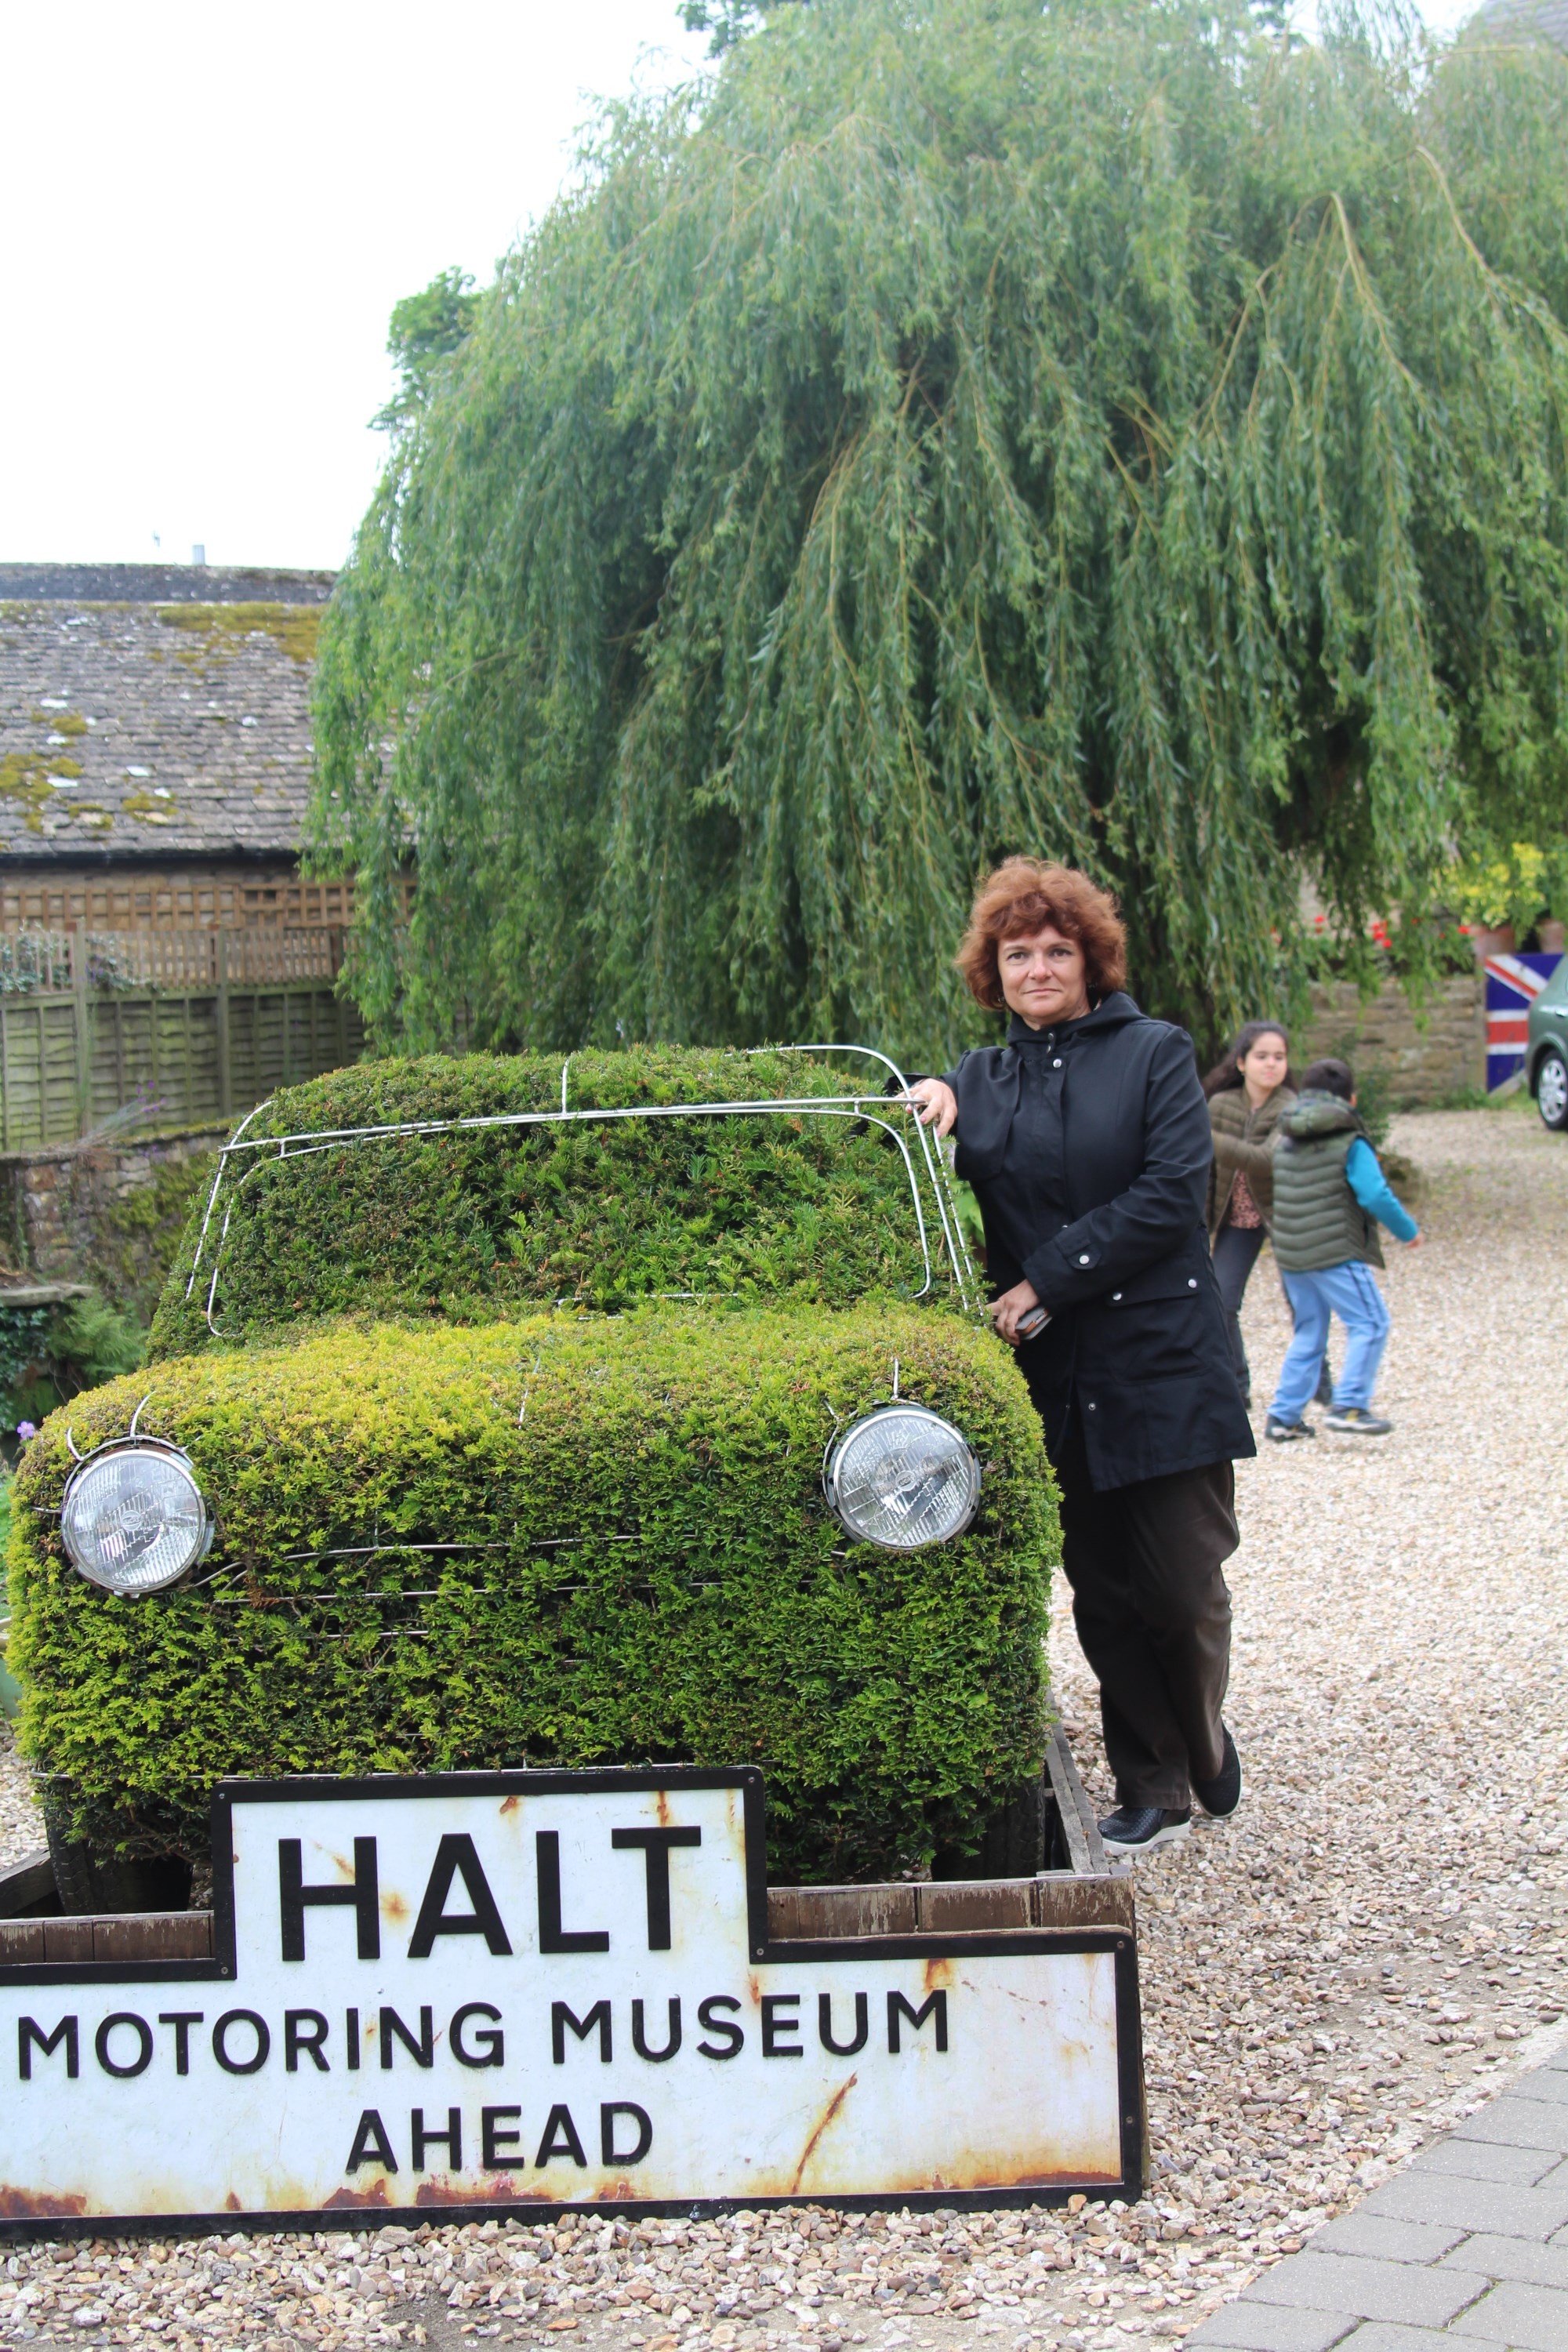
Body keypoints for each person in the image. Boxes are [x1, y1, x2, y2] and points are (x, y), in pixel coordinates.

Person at [906, 858, 1254, 1859]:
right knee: (1101, 1590)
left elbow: (1169, 1193)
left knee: (1182, 1583)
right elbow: (933, 1170)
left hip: (1162, 1358)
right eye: (1018, 954)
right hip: (1056, 1378)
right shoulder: (977, 1079)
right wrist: (927, 1097)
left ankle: (1200, 1736)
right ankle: (1151, 1782)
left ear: (1090, 960)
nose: (1038, 968)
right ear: (994, 972)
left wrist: (1043, 1281)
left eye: (1057, 951)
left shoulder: (1153, 1053)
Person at [1265, 1057, 1421, 1441]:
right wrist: (1407, 1231)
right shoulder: (1350, 1140)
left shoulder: (1286, 1136)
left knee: (1310, 1330)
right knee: (1371, 1321)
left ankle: (1283, 1416)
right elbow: (1374, 1193)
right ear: (1350, 1099)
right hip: (1334, 1250)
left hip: (1292, 1252)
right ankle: (1350, 1405)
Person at [1203, 1023, 1298, 1409]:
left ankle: (1321, 1385)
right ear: (1241, 1062)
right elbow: (1204, 1172)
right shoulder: (1220, 1106)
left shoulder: (1293, 1108)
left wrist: (1204, 1135)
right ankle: (1237, 1386)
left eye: (1279, 1057)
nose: (1271, 1064)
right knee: (1221, 1300)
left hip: (1286, 1217)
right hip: (1237, 1221)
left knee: (1305, 1304)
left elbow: (1267, 1161)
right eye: (1262, 1056)